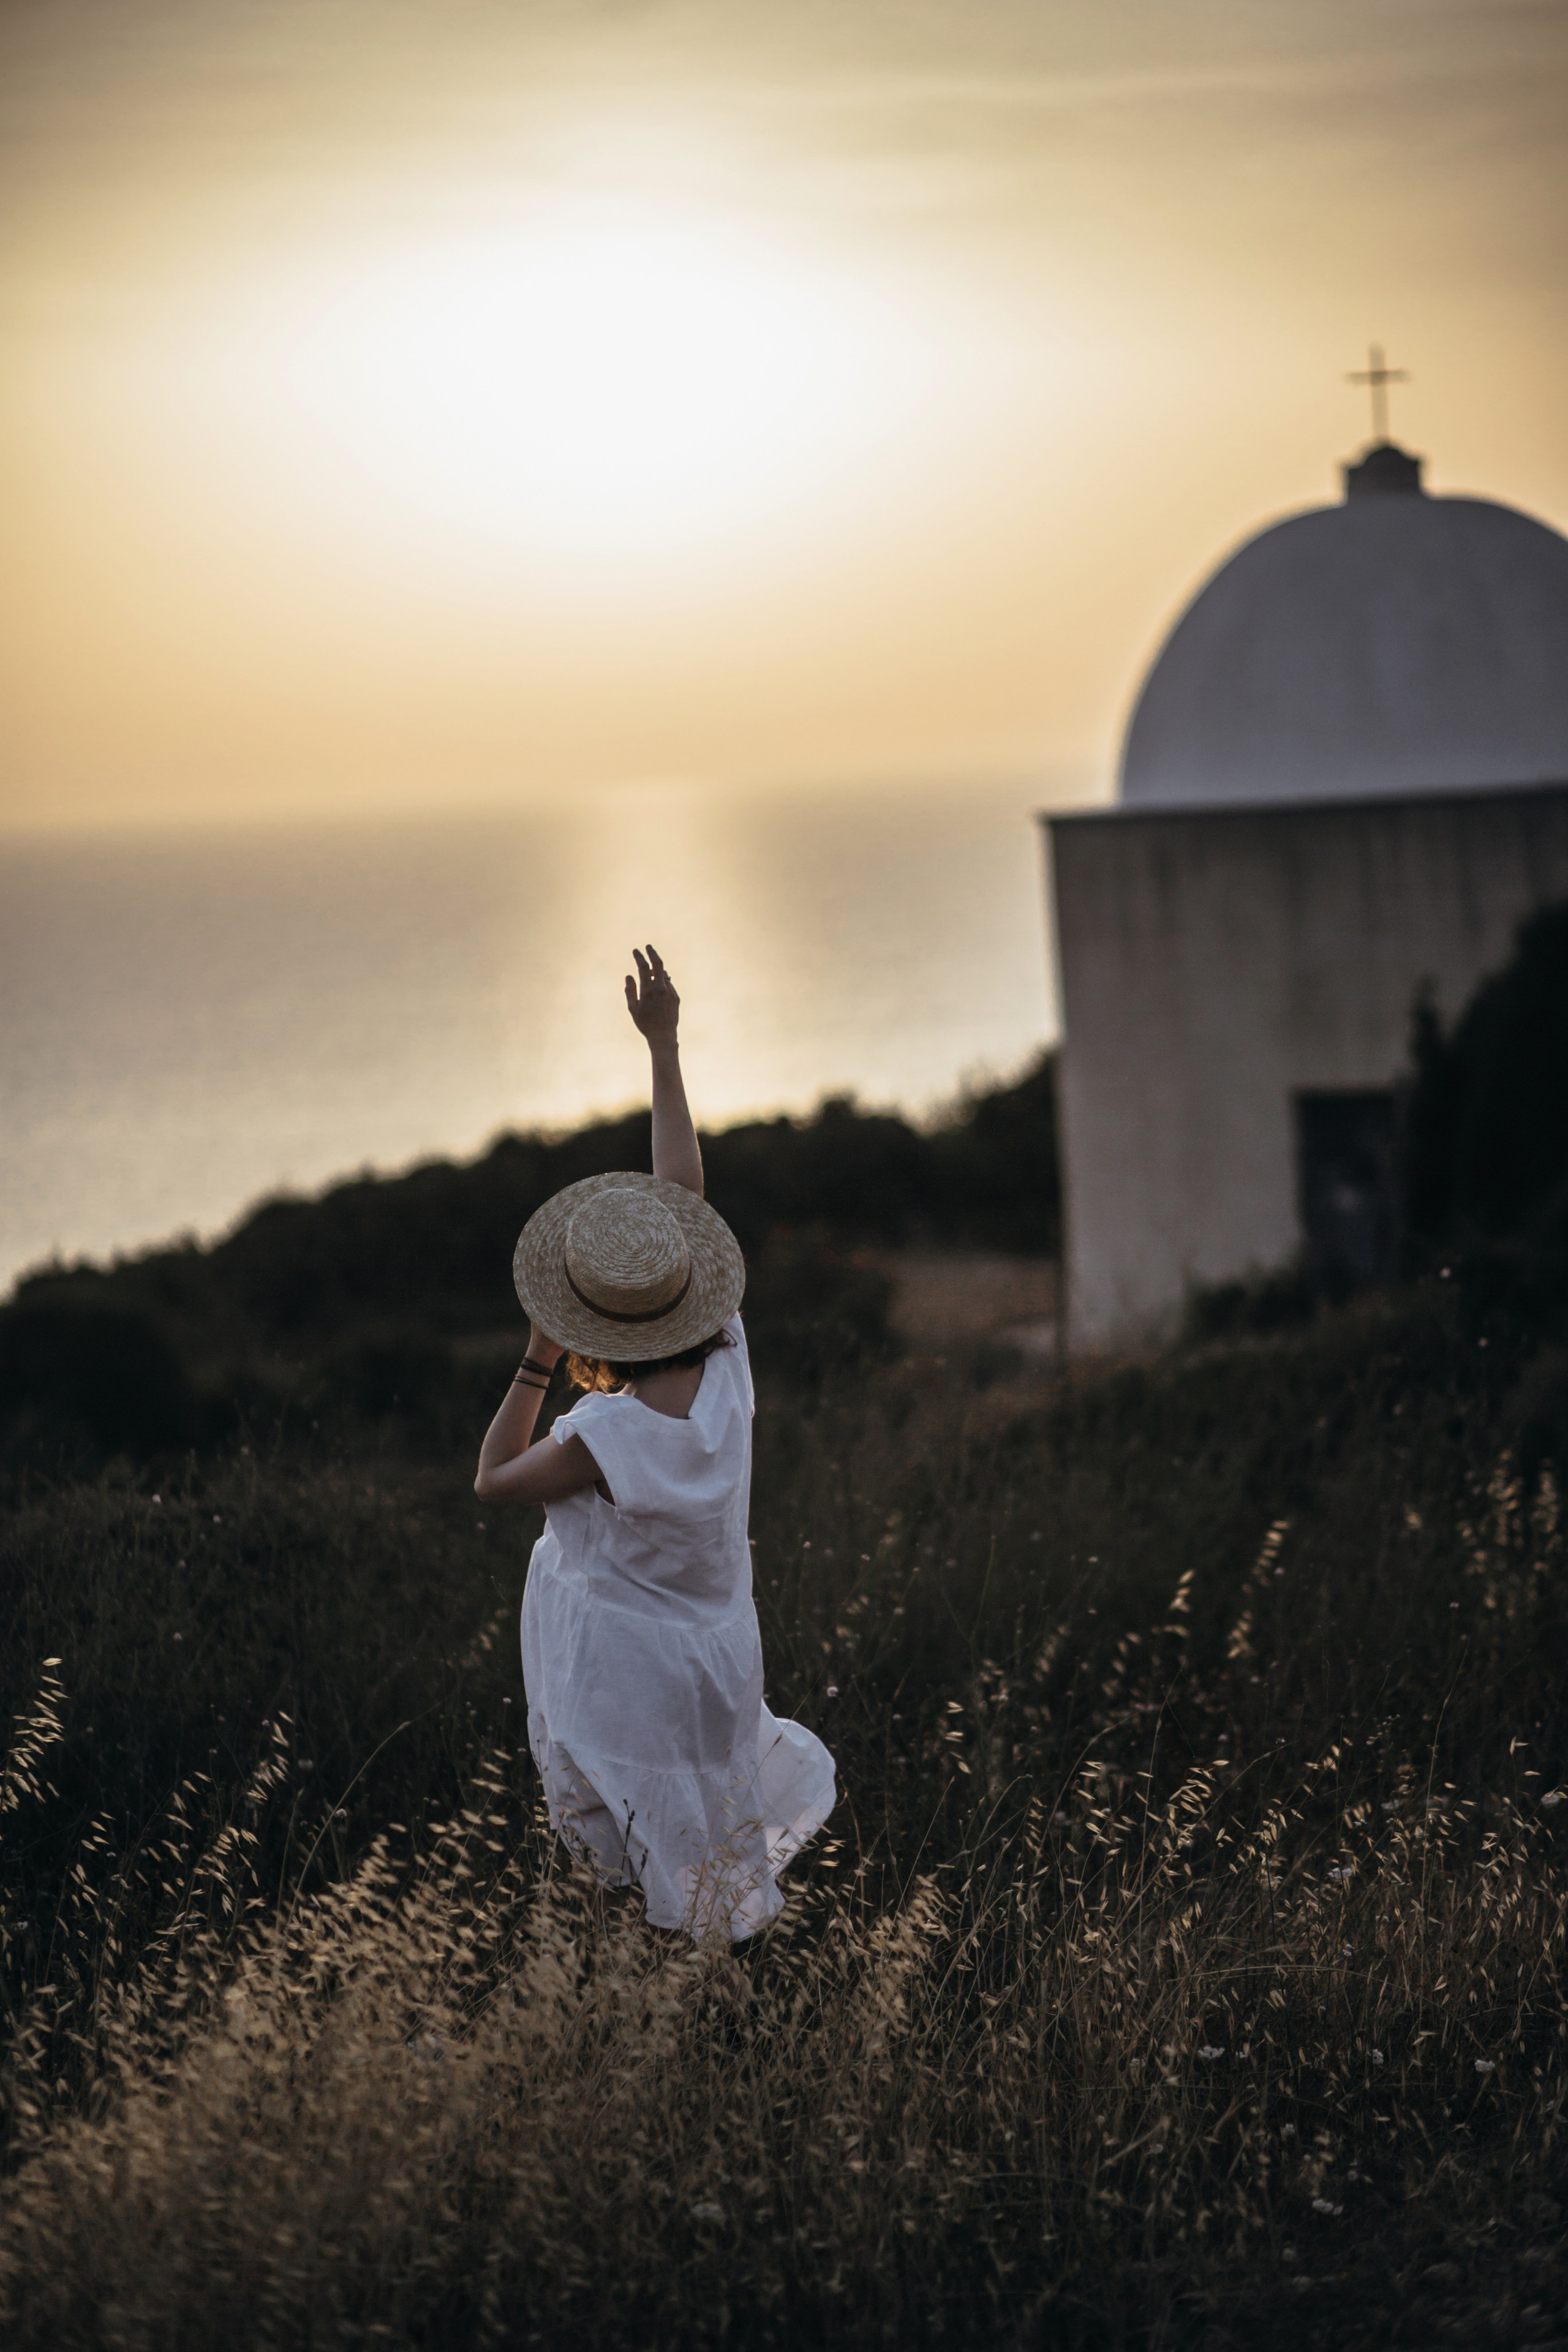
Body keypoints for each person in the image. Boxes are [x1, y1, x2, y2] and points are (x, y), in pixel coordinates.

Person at [475, 945, 836, 1943]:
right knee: (708, 1838)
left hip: (626, 1670)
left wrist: (537, 1360)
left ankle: (651, 2005)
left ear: (591, 1324)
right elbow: (684, 1193)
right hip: (717, 1656)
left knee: (621, 1866)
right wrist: (666, 1045)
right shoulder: (728, 1361)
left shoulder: (603, 1435)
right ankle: (727, 1984)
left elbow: (494, 1480)